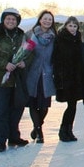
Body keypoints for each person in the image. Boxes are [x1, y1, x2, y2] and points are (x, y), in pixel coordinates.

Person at [0, 7, 32, 153]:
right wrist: (4, 64)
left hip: (17, 79)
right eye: (8, 19)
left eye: (14, 19)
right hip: (1, 80)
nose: (11, 21)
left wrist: (25, 62)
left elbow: (29, 52)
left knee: (17, 109)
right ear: (3, 20)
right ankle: (1, 140)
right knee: (2, 111)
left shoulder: (21, 35)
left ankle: (14, 137)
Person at [26, 10, 57, 143]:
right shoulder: (30, 35)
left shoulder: (55, 37)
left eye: (50, 19)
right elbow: (24, 52)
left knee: (44, 105)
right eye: (45, 19)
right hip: (33, 74)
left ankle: (36, 127)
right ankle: (39, 132)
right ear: (40, 20)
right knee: (33, 104)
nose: (47, 21)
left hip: (47, 74)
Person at [52, 16, 84, 142]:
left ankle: (68, 130)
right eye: (70, 25)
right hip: (65, 77)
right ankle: (63, 129)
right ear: (65, 26)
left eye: (75, 26)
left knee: (73, 105)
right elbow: (56, 59)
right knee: (70, 105)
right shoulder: (60, 39)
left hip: (76, 78)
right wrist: (59, 77)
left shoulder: (78, 40)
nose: (72, 28)